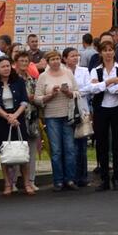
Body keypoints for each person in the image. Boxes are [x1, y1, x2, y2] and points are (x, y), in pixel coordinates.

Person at [88, 38, 118, 192]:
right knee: (102, 144)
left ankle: (116, 178)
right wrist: (111, 82)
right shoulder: (96, 69)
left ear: (114, 51)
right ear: (101, 52)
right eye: (105, 50)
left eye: (110, 50)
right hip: (101, 110)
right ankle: (104, 178)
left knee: (117, 145)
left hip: (117, 109)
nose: (108, 53)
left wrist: (105, 85)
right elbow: (93, 89)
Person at [36, 50, 78, 191]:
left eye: (57, 58)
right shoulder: (43, 76)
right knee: (56, 150)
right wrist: (50, 95)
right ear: (47, 62)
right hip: (52, 116)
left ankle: (70, 179)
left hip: (68, 114)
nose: (55, 61)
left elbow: (78, 92)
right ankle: (58, 180)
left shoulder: (68, 72)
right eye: (52, 59)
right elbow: (37, 98)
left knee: (70, 149)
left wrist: (68, 92)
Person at [0, 56, 31, 197]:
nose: (6, 69)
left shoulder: (18, 81)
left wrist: (15, 116)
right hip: (2, 121)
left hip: (18, 119)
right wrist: (7, 117)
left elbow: (24, 101)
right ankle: (7, 184)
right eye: (2, 66)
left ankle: (26, 184)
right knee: (5, 154)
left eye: (8, 66)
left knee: (23, 153)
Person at [11, 50, 42, 192]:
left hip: (32, 118)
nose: (23, 63)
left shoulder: (33, 79)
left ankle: (30, 180)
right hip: (17, 118)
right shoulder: (11, 79)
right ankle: (12, 181)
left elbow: (38, 97)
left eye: (26, 61)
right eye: (21, 61)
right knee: (15, 151)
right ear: (16, 62)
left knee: (31, 151)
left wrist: (36, 99)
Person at [64, 47, 92, 187]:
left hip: (82, 110)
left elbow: (89, 88)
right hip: (67, 110)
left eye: (77, 55)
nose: (75, 58)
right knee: (71, 146)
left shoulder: (84, 71)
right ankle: (71, 176)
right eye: (72, 56)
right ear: (65, 58)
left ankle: (83, 176)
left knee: (82, 145)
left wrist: (74, 92)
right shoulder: (62, 72)